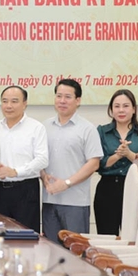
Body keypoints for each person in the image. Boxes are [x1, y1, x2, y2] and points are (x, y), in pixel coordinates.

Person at [41, 78, 103, 244]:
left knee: (76, 252)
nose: (62, 101)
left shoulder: (87, 128)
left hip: (75, 202)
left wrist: (66, 183)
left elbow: (94, 163)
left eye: (67, 97)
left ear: (78, 101)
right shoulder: (44, 127)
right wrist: (42, 175)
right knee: (51, 251)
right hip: (48, 200)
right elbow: (38, 158)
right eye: (59, 96)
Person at [95, 89, 138, 236]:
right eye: (117, 106)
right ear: (111, 109)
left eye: (126, 106)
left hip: (137, 188)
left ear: (134, 108)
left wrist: (129, 154)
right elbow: (98, 164)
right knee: (107, 236)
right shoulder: (102, 132)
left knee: (135, 237)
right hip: (107, 189)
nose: (121, 110)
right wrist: (117, 155)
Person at [0, 85, 48, 232]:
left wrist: (15, 172)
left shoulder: (36, 127)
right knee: (1, 236)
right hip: (0, 190)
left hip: (26, 190)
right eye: (5, 101)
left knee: (26, 237)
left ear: (25, 103)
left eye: (14, 101)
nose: (9, 106)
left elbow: (42, 159)